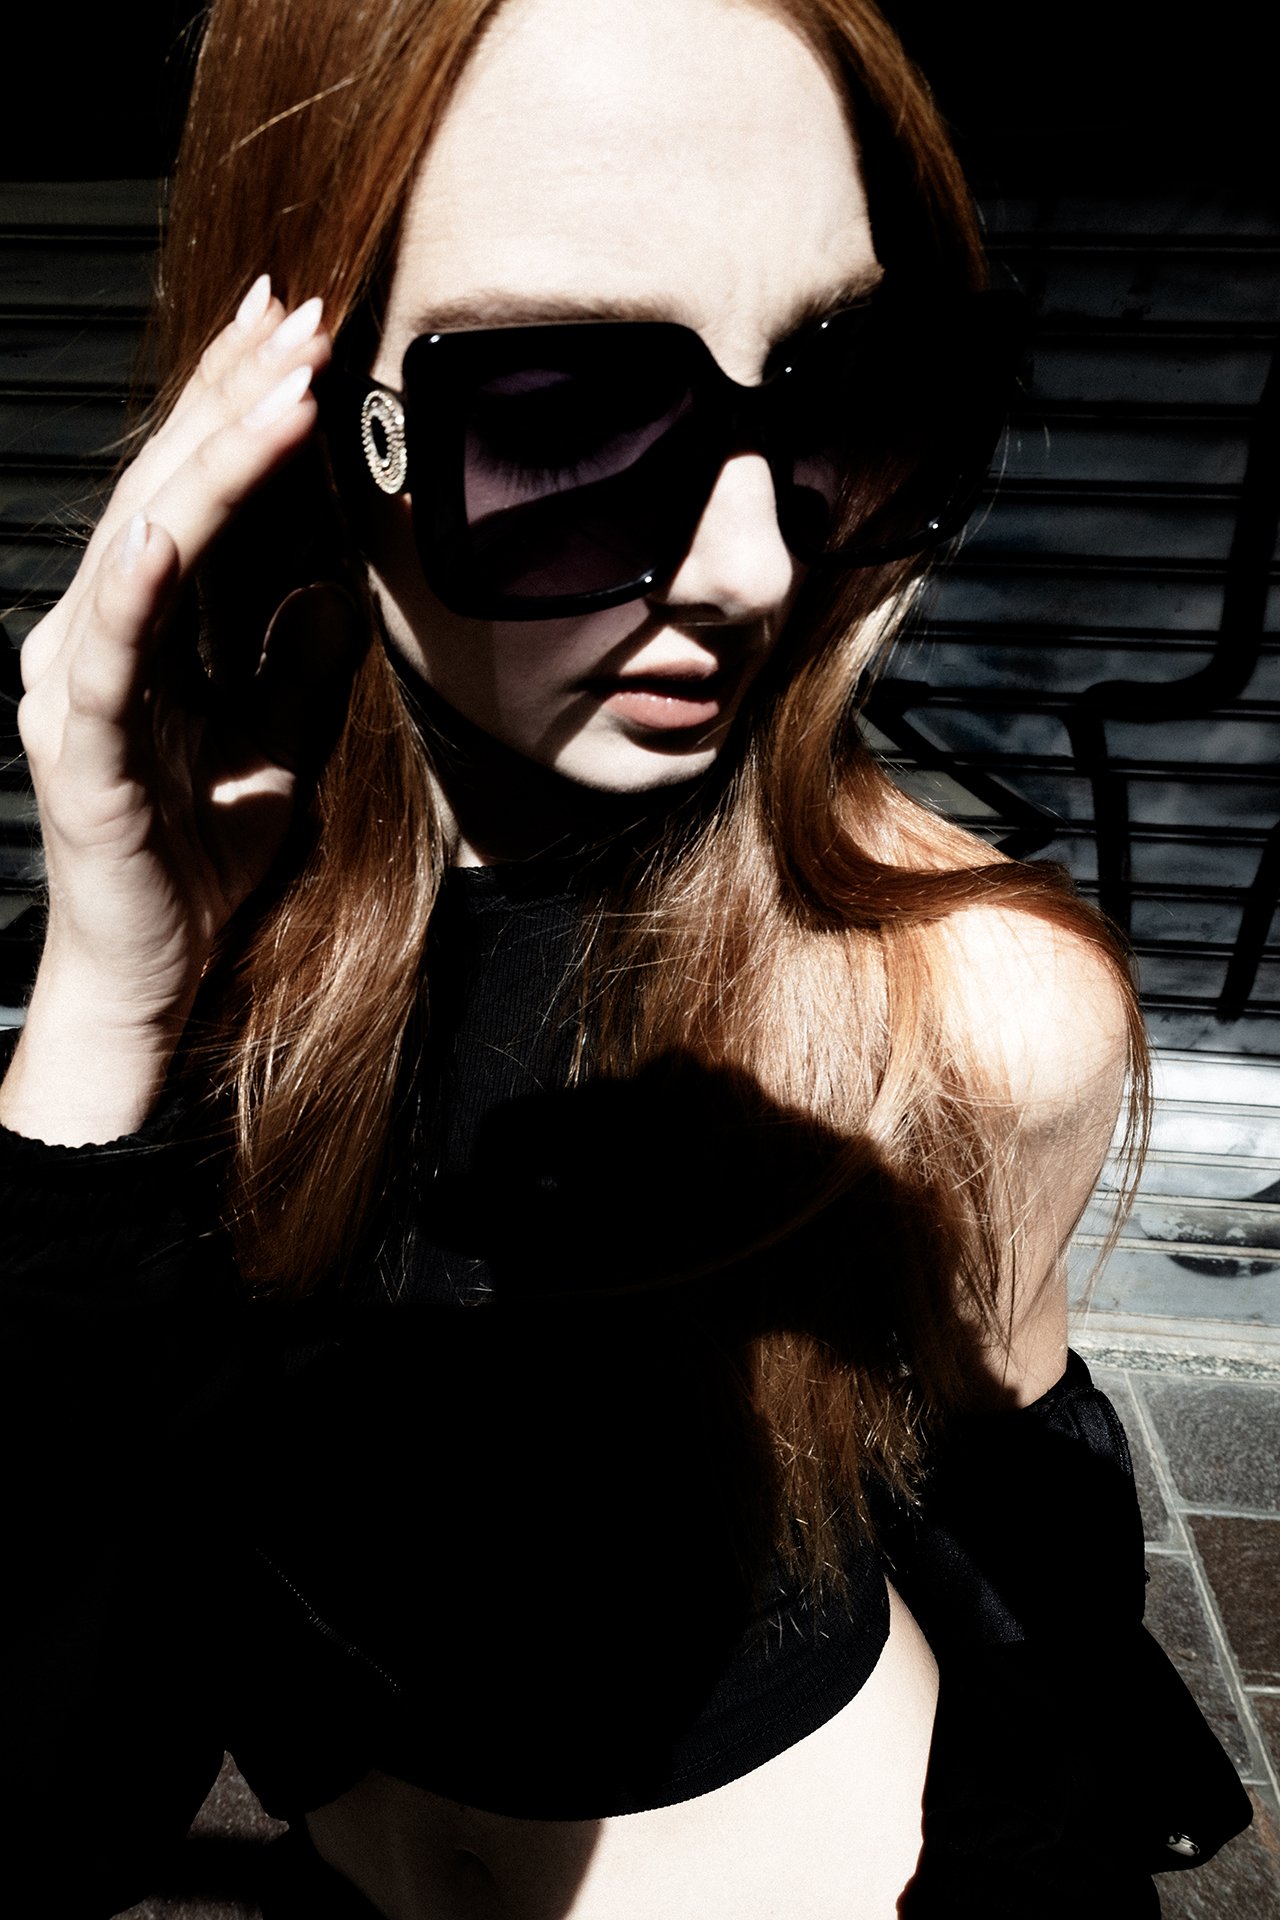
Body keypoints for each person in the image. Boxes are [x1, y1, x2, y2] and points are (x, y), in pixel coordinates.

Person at [0, 0, 1249, 1915]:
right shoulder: (193, 957)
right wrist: (105, 1010)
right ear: (319, 426)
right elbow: (54, 1776)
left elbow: (1032, 1572)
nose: (754, 563)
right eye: (570, 413)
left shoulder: (969, 1008)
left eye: (841, 388)